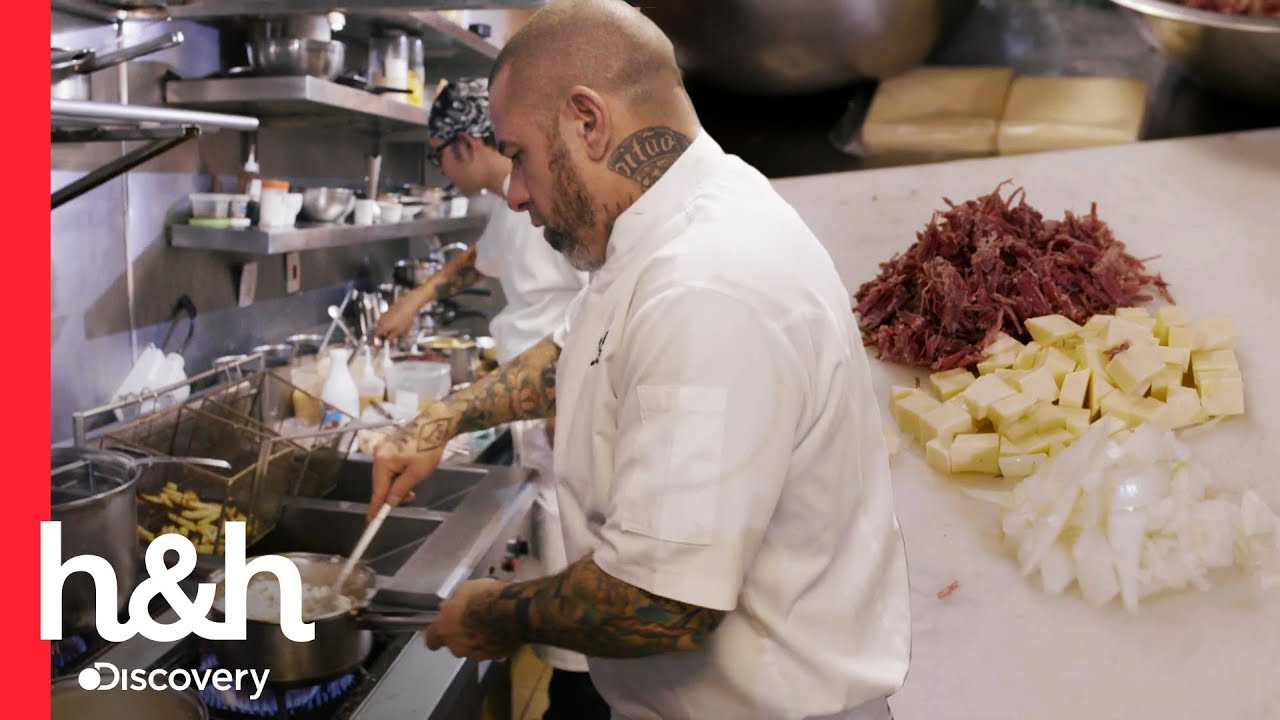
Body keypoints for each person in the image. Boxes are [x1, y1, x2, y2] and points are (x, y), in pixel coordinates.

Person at [372, 1, 912, 718]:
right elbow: (581, 348)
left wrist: (493, 615)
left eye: (522, 155)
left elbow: (662, 602)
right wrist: (440, 419)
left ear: (588, 122)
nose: (517, 192)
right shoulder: (668, 230)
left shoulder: (708, 280)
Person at [374, 79, 606, 719]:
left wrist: (565, 402)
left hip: (563, 405)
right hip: (537, 408)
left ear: (466, 144)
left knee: (578, 569)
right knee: (556, 569)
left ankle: (579, 700)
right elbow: (485, 257)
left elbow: (596, 299)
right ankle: (571, 688)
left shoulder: (556, 196)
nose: (444, 173)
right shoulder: (513, 200)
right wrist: (419, 297)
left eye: (441, 158)